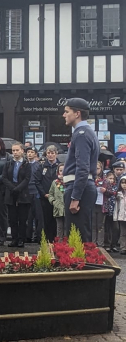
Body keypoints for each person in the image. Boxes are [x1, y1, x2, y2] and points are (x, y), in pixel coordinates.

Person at [62, 98, 100, 243]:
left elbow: (82, 168)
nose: (64, 115)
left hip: (79, 188)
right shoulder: (86, 132)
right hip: (83, 186)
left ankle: (82, 265)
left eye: (67, 112)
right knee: (80, 234)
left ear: (77, 113)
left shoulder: (82, 134)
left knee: (76, 236)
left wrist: (75, 197)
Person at [2, 143, 32, 248]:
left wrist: (18, 188)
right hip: (11, 194)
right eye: (13, 151)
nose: (15, 153)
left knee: (22, 219)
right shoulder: (8, 163)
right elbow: (4, 177)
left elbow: (27, 179)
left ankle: (21, 239)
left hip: (22, 194)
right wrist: (12, 188)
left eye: (17, 150)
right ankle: (14, 239)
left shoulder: (27, 164)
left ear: (22, 151)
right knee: (12, 218)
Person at [38, 145, 61, 243]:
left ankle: (57, 240)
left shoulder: (60, 166)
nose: (50, 155)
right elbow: (37, 181)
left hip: (58, 199)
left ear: (56, 154)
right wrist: (44, 194)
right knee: (47, 220)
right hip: (46, 197)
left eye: (52, 153)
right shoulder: (42, 166)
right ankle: (47, 240)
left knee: (57, 220)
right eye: (48, 153)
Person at [26, 147, 43, 242]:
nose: (30, 154)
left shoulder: (38, 165)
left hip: (36, 191)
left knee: (37, 216)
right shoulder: (24, 165)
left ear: (35, 154)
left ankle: (37, 236)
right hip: (27, 192)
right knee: (28, 216)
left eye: (32, 152)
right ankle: (28, 236)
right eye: (28, 152)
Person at [49, 165, 67, 239]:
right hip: (58, 208)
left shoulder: (70, 182)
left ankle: (66, 243)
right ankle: (59, 244)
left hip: (67, 208)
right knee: (59, 227)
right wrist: (53, 202)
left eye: (64, 170)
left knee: (67, 227)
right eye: (60, 170)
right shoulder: (55, 182)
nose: (62, 172)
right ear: (58, 172)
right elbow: (50, 194)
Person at [110, 175, 126, 254]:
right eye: (122, 183)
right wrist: (115, 217)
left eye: (125, 183)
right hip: (122, 216)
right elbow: (116, 206)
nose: (124, 185)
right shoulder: (118, 194)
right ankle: (123, 248)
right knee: (122, 233)